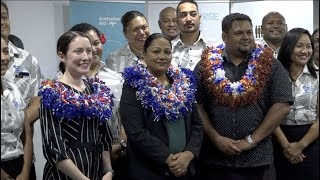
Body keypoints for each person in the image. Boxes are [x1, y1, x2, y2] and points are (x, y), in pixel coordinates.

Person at [194, 13, 293, 180]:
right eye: (239, 33)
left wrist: (251, 140)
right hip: (215, 160)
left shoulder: (270, 63)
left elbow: (282, 104)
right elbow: (196, 104)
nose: (246, 37)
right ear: (224, 36)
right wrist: (215, 137)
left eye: (249, 32)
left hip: (258, 161)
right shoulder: (205, 64)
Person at [120, 33, 203, 180]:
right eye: (156, 51)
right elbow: (135, 131)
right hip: (150, 170)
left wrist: (189, 154)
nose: (162, 56)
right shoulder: (133, 86)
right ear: (144, 55)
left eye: (167, 52)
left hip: (186, 168)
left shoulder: (184, 83)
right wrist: (169, 159)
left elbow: (197, 124)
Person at [38, 31, 114, 180]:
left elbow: (104, 137)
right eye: (78, 51)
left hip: (96, 171)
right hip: (64, 175)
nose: (86, 57)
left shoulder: (96, 89)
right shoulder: (52, 92)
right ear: (62, 56)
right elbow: (54, 148)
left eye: (89, 51)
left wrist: (109, 171)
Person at [68, 23, 127, 180]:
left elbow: (126, 117)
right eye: (84, 46)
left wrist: (120, 145)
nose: (93, 50)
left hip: (117, 155)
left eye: (96, 43)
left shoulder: (117, 79)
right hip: (77, 160)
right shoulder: (61, 84)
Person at [1, 1, 43, 178]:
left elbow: (38, 100)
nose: (1, 22)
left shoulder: (27, 60)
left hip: (22, 152)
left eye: (4, 17)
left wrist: (16, 120)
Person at [273, 28, 319, 180]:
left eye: (308, 46)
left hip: (309, 139)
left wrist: (300, 146)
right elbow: (269, 115)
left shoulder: (317, 77)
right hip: (278, 137)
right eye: (299, 46)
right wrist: (287, 146)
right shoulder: (274, 76)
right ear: (288, 47)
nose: (305, 51)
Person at [1, 34, 33, 180]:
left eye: (5, 51)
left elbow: (26, 135)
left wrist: (25, 171)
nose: (3, 58)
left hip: (20, 165)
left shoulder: (13, 89)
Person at [171, 0, 208, 70]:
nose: (188, 19)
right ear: (176, 21)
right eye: (183, 15)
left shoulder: (213, 47)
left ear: (199, 18)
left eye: (193, 14)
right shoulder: (169, 48)